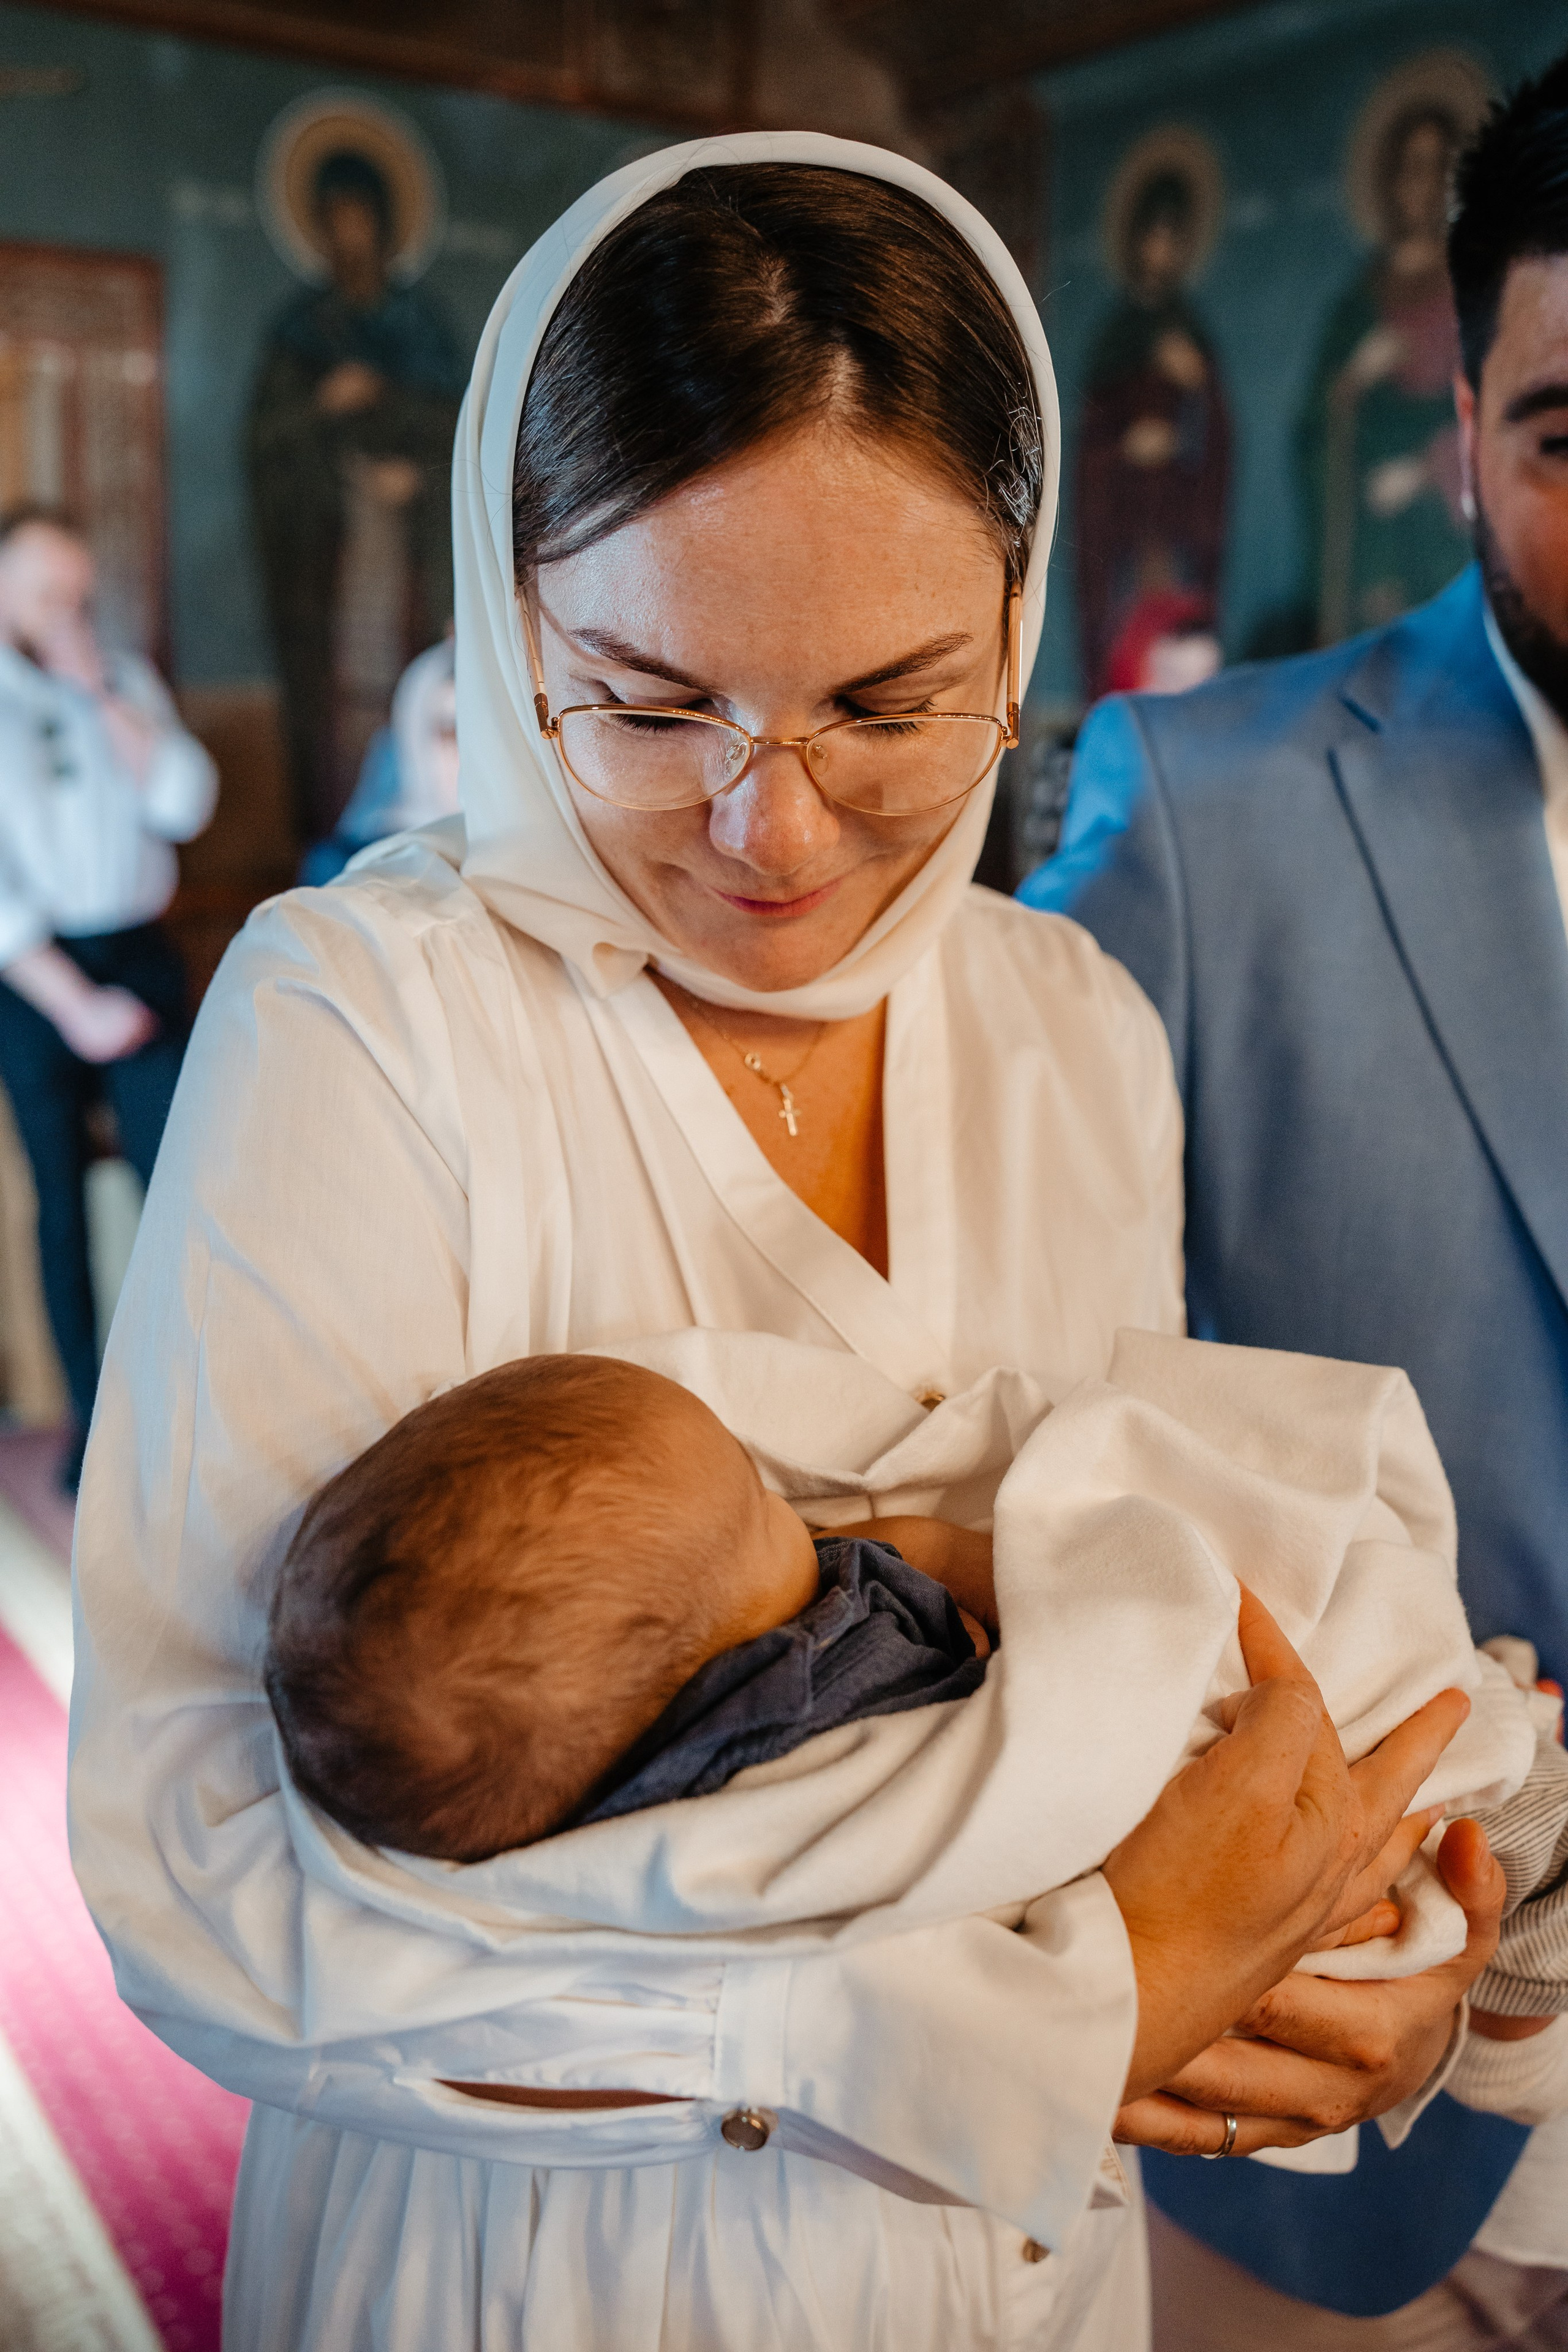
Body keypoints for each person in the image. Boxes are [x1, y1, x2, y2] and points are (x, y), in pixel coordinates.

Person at [70, 136, 1504, 2352]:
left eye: (885, 704)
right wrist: (921, 2033)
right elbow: (199, 1863)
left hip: (1023, 2274)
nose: (772, 827)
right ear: (510, 614)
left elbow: (1108, 1615)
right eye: (648, 707)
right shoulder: (372, 1017)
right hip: (539, 2279)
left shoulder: (1067, 1027)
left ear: (1020, 629)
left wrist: (1353, 1959)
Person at [1023, 53, 1568, 2348]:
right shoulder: (1201, 809)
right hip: (1343, 2127)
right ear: (1459, 425)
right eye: (1564, 436)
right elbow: (1000, 1414)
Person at [0, 508, 216, 1490]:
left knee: (172, 1184)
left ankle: (177, 1413)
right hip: (34, 971)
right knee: (60, 1205)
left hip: (138, 953)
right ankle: (92, 1427)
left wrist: (101, 698)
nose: (67, 612)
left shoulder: (123, 680)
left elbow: (183, 801)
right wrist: (72, 1004)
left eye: (79, 596)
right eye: (48, 595)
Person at [248, 149, 465, 849]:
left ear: (384, 226)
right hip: (331, 566)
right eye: (333, 225)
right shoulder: (298, 332)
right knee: (339, 702)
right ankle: (338, 837)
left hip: (415, 566)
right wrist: (321, 404)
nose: (348, 240)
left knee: (418, 687)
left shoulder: (422, 327)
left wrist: (419, 476)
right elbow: (266, 441)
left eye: (359, 223)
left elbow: (467, 433)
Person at [1300, 101, 1470, 647]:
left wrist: (1423, 470)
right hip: (1369, 551)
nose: (1422, 185)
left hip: (1444, 538)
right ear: (1389, 181)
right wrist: (1353, 377)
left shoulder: (1473, 292)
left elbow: (1494, 415)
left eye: (1436, 167)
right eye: (1410, 168)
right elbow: (1312, 432)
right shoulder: (1359, 303)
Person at [1075, 167, 1231, 699]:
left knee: (1172, 631)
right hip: (1123, 520)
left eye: (1174, 238)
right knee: (1127, 638)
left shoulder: (1191, 330)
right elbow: (1089, 447)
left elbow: (1218, 434)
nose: (1163, 250)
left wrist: (1198, 388)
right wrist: (1124, 448)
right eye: (1154, 236)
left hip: (1175, 518)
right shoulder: (1115, 336)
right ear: (1137, 240)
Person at [297, 635, 459, 886]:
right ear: (413, 731)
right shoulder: (343, 866)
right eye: (451, 732)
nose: (464, 753)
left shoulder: (512, 861)